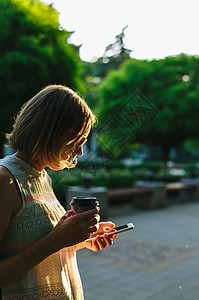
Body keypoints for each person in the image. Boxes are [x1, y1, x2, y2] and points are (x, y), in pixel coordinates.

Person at [0, 85, 116, 300]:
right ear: (51, 132)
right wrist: (57, 239)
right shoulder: (4, 179)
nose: (80, 151)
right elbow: (51, 242)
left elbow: (39, 247)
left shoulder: (42, 176)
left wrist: (83, 240)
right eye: (77, 142)